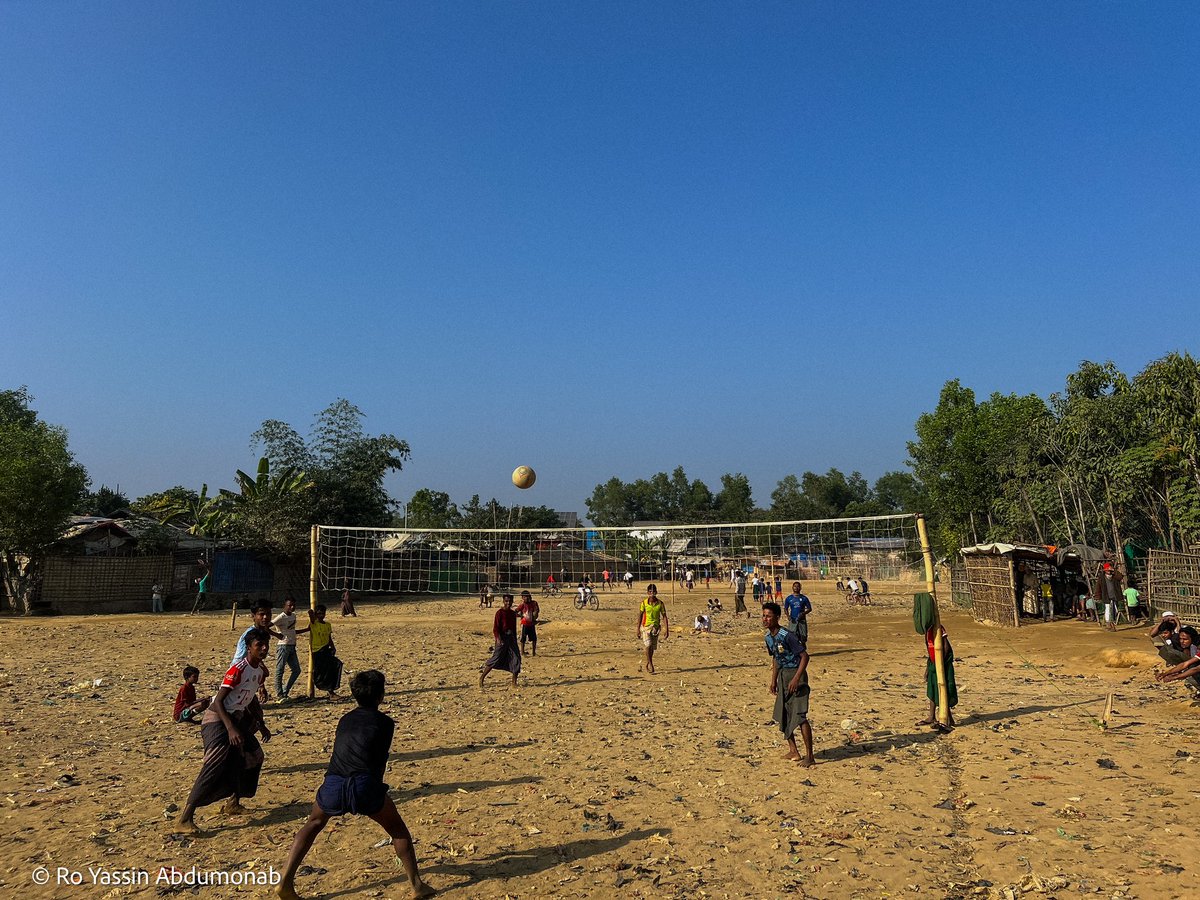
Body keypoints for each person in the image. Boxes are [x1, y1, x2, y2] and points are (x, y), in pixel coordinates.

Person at [275, 670, 435, 900]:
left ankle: (286, 881)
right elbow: (379, 760)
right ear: (381, 696)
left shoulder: (345, 719)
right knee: (397, 829)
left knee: (313, 823)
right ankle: (417, 886)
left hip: (333, 782)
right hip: (364, 784)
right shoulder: (386, 723)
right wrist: (375, 792)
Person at [179, 629, 272, 831]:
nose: (264, 649)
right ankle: (185, 818)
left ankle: (234, 801)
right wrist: (230, 728)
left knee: (253, 756)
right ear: (248, 648)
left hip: (236, 719)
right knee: (213, 763)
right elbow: (219, 701)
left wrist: (260, 723)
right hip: (217, 720)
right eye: (259, 645)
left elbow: (250, 700)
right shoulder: (237, 669)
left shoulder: (259, 672)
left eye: (266, 645)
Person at [761, 601, 815, 766]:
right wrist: (773, 680)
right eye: (763, 616)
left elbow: (804, 656)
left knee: (799, 716)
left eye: (768, 616)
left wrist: (796, 678)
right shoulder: (768, 638)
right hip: (783, 677)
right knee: (783, 714)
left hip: (796, 675)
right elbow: (776, 658)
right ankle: (793, 750)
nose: (765, 619)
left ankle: (810, 756)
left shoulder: (787, 635)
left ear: (777, 617)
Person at [916, 620, 958, 731]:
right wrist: (927, 669)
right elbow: (930, 653)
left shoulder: (938, 629)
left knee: (945, 691)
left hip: (943, 664)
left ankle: (948, 717)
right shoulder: (927, 633)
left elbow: (946, 647)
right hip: (933, 664)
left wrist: (940, 664)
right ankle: (931, 716)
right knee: (932, 689)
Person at [272, 596, 309, 703]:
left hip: (292, 645)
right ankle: (279, 694)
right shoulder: (280, 617)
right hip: (283, 646)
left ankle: (285, 691)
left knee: (296, 670)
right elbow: (267, 626)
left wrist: (306, 629)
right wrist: (277, 635)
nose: (292, 607)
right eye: (289, 605)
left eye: (293, 605)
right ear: (285, 606)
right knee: (280, 670)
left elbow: (292, 631)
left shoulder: (293, 616)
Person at [480, 593, 521, 687]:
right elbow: (495, 628)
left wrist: (514, 640)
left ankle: (514, 682)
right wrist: (498, 639)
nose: (508, 603)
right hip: (501, 638)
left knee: (516, 659)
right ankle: (482, 678)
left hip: (511, 639)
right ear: (503, 601)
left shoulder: (512, 613)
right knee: (495, 658)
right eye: (506, 601)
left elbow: (513, 628)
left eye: (510, 601)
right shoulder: (499, 613)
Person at [308, 605, 343, 699]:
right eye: (319, 613)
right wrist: (312, 613)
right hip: (317, 650)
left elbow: (329, 637)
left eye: (322, 613)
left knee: (336, 665)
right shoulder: (314, 623)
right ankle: (328, 690)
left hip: (326, 649)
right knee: (321, 671)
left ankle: (331, 689)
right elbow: (311, 616)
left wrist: (333, 647)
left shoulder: (327, 625)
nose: (321, 615)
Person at [1155, 626, 1200, 696]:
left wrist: (1174, 677)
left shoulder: (1195, 648)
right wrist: (1166, 673)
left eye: (1185, 639)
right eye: (1180, 639)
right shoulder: (1194, 648)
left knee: (1192, 673)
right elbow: (1185, 664)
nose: (1182, 641)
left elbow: (1196, 669)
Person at [636, 584, 669, 675]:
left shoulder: (660, 604)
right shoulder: (644, 603)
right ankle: (651, 664)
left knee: (652, 648)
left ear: (656, 592)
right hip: (646, 627)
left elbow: (664, 617)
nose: (652, 594)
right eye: (650, 592)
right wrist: (638, 629)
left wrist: (667, 630)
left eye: (653, 592)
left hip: (655, 628)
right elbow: (640, 616)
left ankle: (648, 662)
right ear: (647, 593)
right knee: (648, 645)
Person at [1097, 564, 1123, 631]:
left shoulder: (1115, 576)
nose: (1109, 572)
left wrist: (1114, 570)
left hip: (1115, 596)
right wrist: (1098, 596)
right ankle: (1110, 625)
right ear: (1105, 571)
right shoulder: (1102, 577)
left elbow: (1120, 577)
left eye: (1110, 570)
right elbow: (1098, 587)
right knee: (1108, 610)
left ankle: (1111, 625)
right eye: (1108, 570)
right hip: (1106, 596)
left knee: (1115, 610)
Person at [516, 590, 540, 656]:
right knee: (523, 638)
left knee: (534, 638)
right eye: (524, 597)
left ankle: (533, 652)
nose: (525, 598)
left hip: (531, 624)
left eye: (526, 597)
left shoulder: (534, 603)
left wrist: (535, 614)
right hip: (525, 624)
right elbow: (516, 611)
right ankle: (522, 651)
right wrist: (520, 615)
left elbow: (537, 611)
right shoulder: (523, 605)